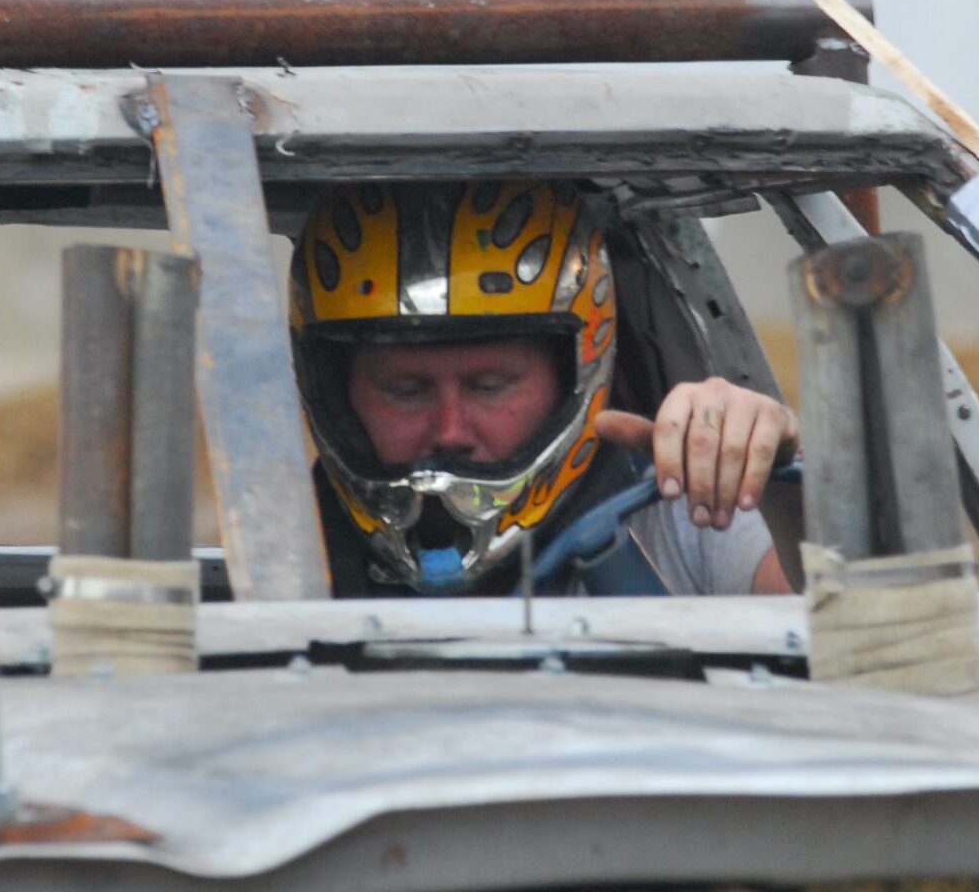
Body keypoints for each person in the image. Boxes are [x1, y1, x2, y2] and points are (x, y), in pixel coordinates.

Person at [290, 180, 797, 598]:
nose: (449, 431)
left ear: (573, 376)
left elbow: (845, 625)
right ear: (340, 394)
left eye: (489, 385)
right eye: (405, 389)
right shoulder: (275, 560)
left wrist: (778, 482)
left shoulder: (686, 519)